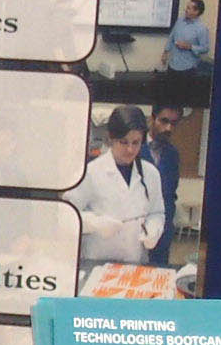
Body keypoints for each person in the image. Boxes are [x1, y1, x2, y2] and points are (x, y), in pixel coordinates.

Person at [68, 106, 166, 268]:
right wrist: (95, 223)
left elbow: (157, 212)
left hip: (135, 262)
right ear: (111, 138)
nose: (130, 149)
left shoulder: (150, 173)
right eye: (124, 142)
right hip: (97, 263)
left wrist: (154, 229)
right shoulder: (90, 173)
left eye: (136, 143)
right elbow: (66, 216)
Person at [144, 105, 187, 267]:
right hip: (136, 228)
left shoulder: (173, 154)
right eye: (164, 121)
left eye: (174, 123)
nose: (168, 128)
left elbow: (170, 193)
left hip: (163, 230)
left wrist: (167, 225)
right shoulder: (133, 148)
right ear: (152, 119)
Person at [165, 0, 212, 73]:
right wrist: (165, 52)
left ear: (196, 11)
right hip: (172, 65)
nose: (185, 10)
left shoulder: (201, 28)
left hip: (188, 68)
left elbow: (205, 48)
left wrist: (189, 47)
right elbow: (172, 36)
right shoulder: (180, 21)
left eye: (188, 8)